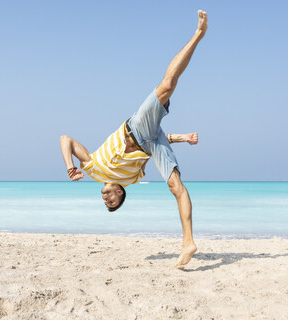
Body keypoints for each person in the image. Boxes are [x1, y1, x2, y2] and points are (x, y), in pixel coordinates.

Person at [60, 10, 208, 269]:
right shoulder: (132, 179)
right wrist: (181, 138)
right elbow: (155, 141)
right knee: (175, 186)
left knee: (167, 86)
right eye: (113, 201)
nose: (107, 200)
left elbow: (66, 139)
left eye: (107, 202)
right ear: (119, 192)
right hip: (151, 142)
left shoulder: (93, 168)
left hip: (136, 129)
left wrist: (69, 165)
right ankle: (189, 243)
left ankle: (197, 35)